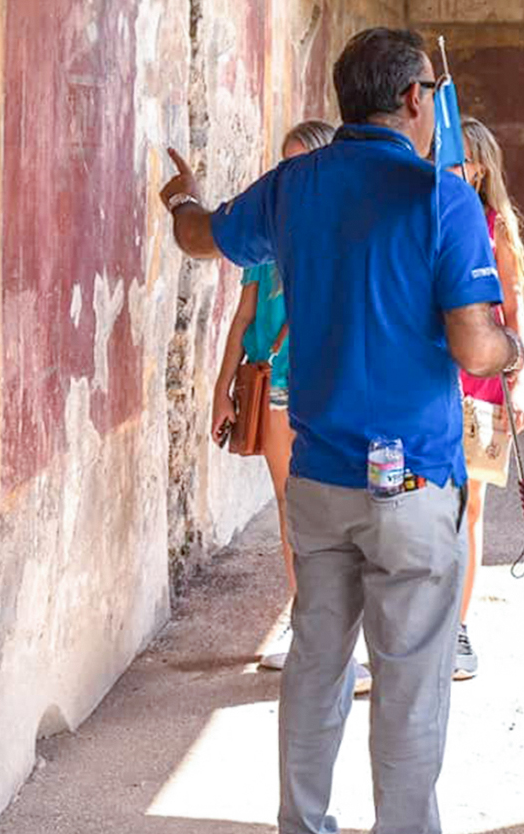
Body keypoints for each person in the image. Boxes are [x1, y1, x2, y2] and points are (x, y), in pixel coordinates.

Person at [157, 26, 523, 834]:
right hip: (417, 484)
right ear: (416, 99)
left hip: (318, 479)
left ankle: (305, 825)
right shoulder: (443, 199)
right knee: (409, 683)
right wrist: (513, 346)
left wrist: (182, 198)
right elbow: (473, 343)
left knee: (316, 668)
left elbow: (198, 235)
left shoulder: (297, 186)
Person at [210, 119, 356, 680]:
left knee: (331, 512)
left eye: (299, 162)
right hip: (269, 387)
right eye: (283, 163)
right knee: (290, 506)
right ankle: (305, 627)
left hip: (319, 386)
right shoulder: (264, 233)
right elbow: (243, 315)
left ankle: (335, 638)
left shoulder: (339, 234)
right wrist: (222, 389)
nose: (288, 173)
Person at [451, 116, 524, 681]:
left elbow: (513, 308)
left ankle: (456, 628)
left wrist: (522, 380)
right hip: (432, 379)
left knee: (471, 507)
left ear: (482, 167)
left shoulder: (495, 224)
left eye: (463, 158)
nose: (455, 166)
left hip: (482, 383)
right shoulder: (428, 215)